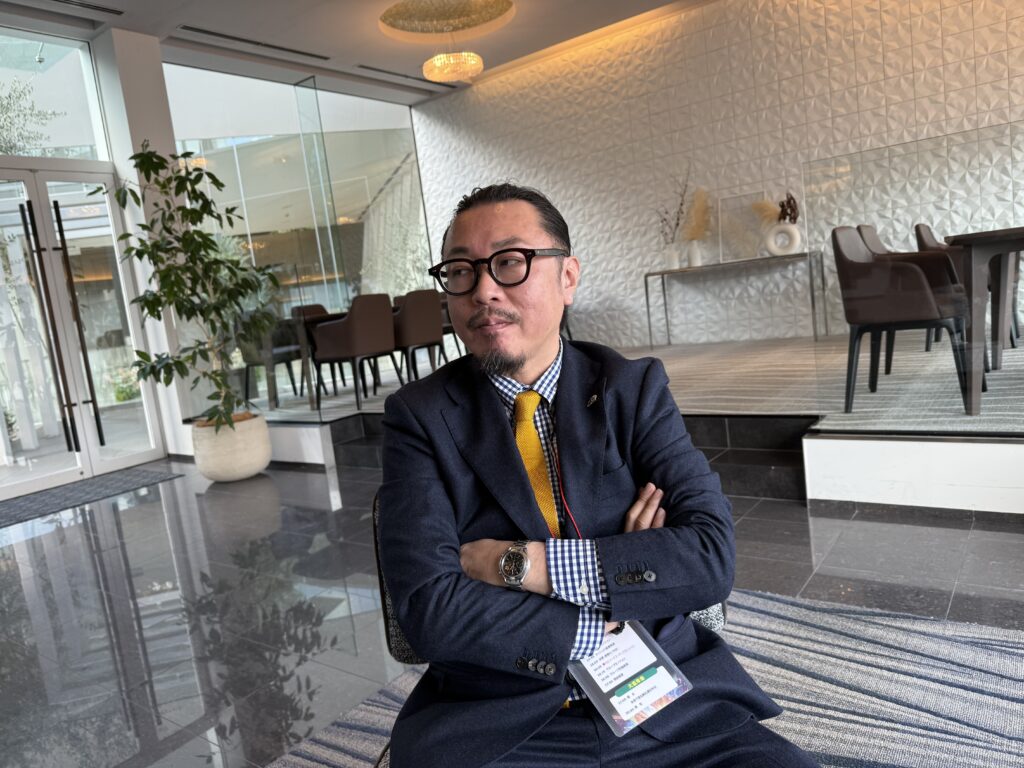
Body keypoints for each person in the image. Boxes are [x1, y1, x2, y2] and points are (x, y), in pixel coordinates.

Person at [378, 183, 819, 768]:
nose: (483, 290)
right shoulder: (419, 417)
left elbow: (710, 557)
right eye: (461, 271)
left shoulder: (633, 389)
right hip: (502, 718)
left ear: (567, 277)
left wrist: (517, 564)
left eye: (510, 262)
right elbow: (429, 609)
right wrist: (617, 586)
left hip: (667, 698)